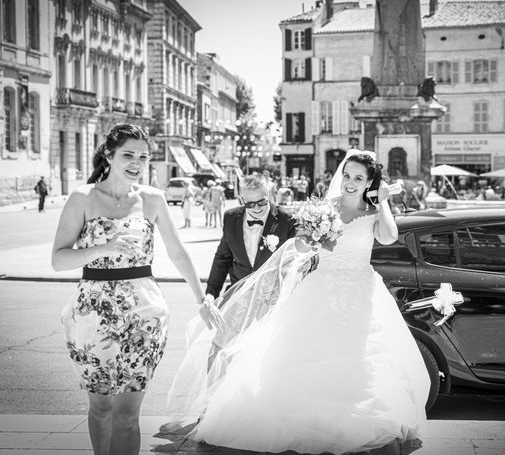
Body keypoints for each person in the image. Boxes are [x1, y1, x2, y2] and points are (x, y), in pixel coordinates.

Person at [173, 150, 429, 453]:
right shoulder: (324, 208)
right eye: (347, 175)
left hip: (361, 292)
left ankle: (351, 420)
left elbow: (388, 237)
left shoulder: (374, 212)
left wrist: (382, 200)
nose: (349, 182)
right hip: (320, 290)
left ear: (370, 182)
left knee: (361, 357)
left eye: (358, 178)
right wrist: (311, 236)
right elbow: (302, 245)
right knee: (307, 355)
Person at [52, 124, 222, 455]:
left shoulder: (152, 199)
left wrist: (202, 298)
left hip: (145, 317)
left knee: (128, 416)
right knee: (101, 409)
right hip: (91, 315)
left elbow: (177, 252)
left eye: (142, 157)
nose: (136, 163)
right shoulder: (82, 198)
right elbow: (58, 260)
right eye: (128, 155)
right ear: (109, 155)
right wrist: (104, 248)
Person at [205, 174, 297, 302]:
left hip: (274, 300)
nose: (257, 208)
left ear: (269, 194)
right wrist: (211, 293)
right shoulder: (231, 218)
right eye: (251, 204)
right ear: (242, 199)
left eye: (262, 202)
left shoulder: (287, 219)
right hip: (239, 297)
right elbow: (222, 258)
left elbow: (296, 262)